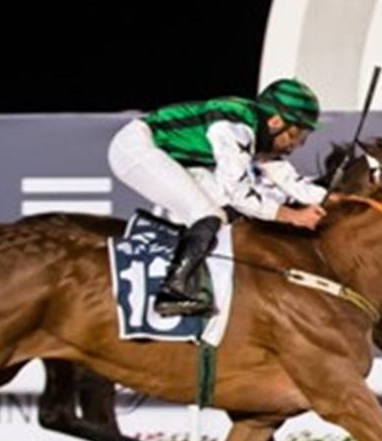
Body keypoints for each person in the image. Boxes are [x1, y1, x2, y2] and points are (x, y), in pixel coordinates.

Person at [106, 78, 327, 316]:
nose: (298, 144)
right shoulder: (234, 126)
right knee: (208, 215)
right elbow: (238, 193)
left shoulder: (257, 130)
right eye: (295, 134)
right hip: (136, 148)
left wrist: (334, 199)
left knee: (228, 215)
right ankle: (174, 290)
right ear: (275, 121)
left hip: (176, 156)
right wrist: (292, 216)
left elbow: (288, 179)